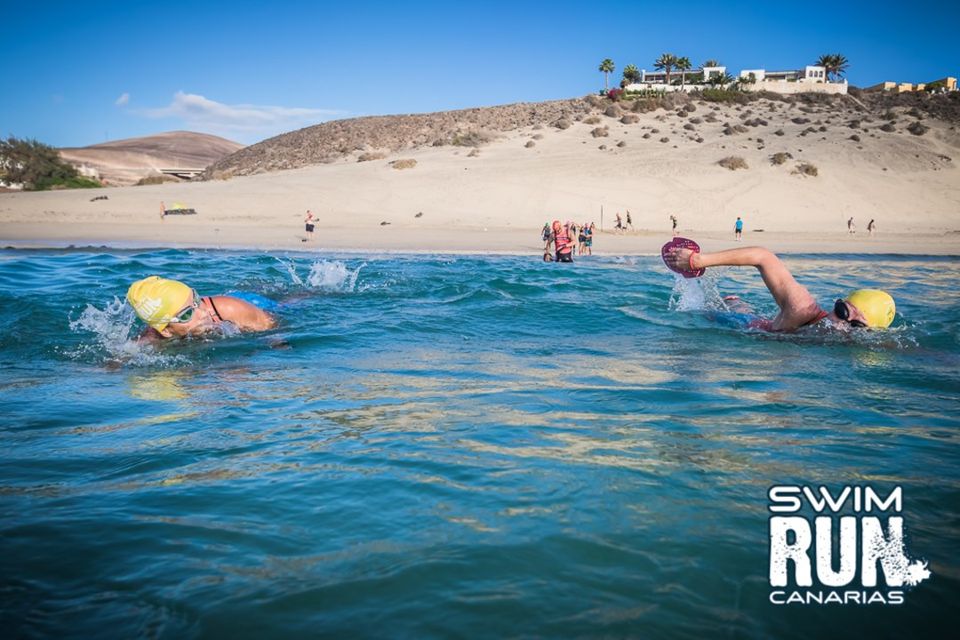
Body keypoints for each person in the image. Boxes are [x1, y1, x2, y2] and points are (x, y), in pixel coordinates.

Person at [663, 243, 896, 332]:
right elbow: (763, 257)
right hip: (747, 325)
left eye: (855, 324)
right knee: (715, 314)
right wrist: (698, 261)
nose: (841, 323)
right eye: (842, 311)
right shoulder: (802, 309)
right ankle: (733, 300)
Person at [127, 276, 276, 341]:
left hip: (256, 303)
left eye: (196, 300)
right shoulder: (153, 337)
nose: (202, 312)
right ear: (165, 331)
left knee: (292, 302)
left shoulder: (230, 309)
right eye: (187, 314)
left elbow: (272, 327)